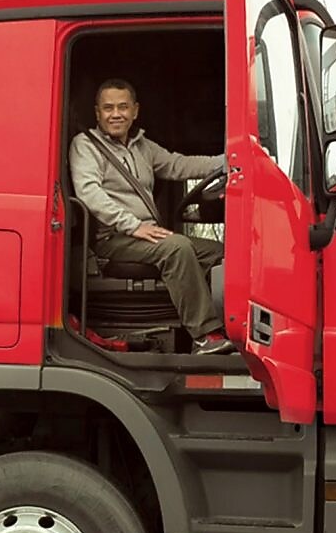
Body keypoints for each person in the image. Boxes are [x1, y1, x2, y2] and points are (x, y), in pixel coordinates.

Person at [69, 78, 233, 355]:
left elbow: (178, 165)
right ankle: (205, 335)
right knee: (177, 248)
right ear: (97, 113)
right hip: (113, 238)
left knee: (224, 253)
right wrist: (133, 226)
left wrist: (230, 159)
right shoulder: (86, 145)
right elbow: (89, 194)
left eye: (123, 107)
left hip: (146, 234)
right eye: (108, 108)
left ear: (135, 111)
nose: (116, 114)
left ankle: (235, 329)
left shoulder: (142, 146)